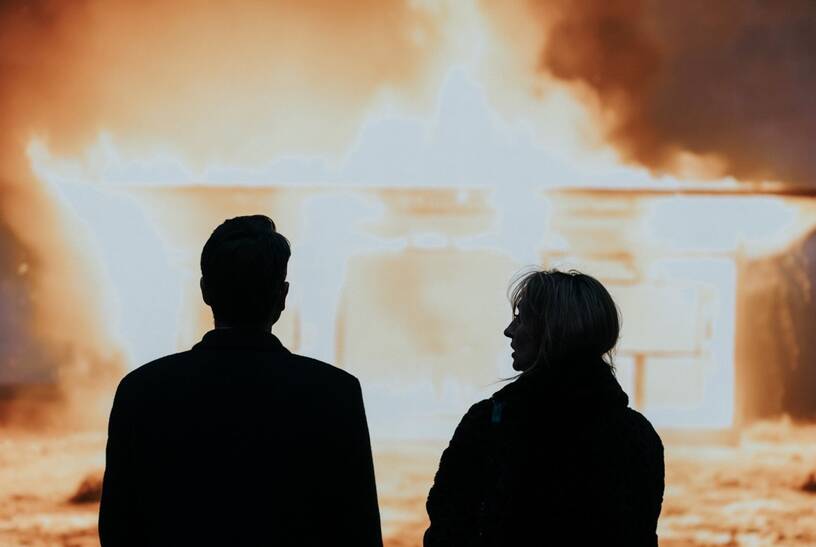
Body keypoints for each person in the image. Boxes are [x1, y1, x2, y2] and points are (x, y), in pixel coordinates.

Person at [99, 215, 382, 546]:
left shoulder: (141, 390)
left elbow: (118, 527)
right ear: (282, 296)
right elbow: (358, 530)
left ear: (205, 291)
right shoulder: (336, 393)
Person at [424, 269, 665, 546]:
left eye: (522, 317)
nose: (509, 331)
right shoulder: (637, 436)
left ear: (555, 329)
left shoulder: (490, 425)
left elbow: (447, 531)